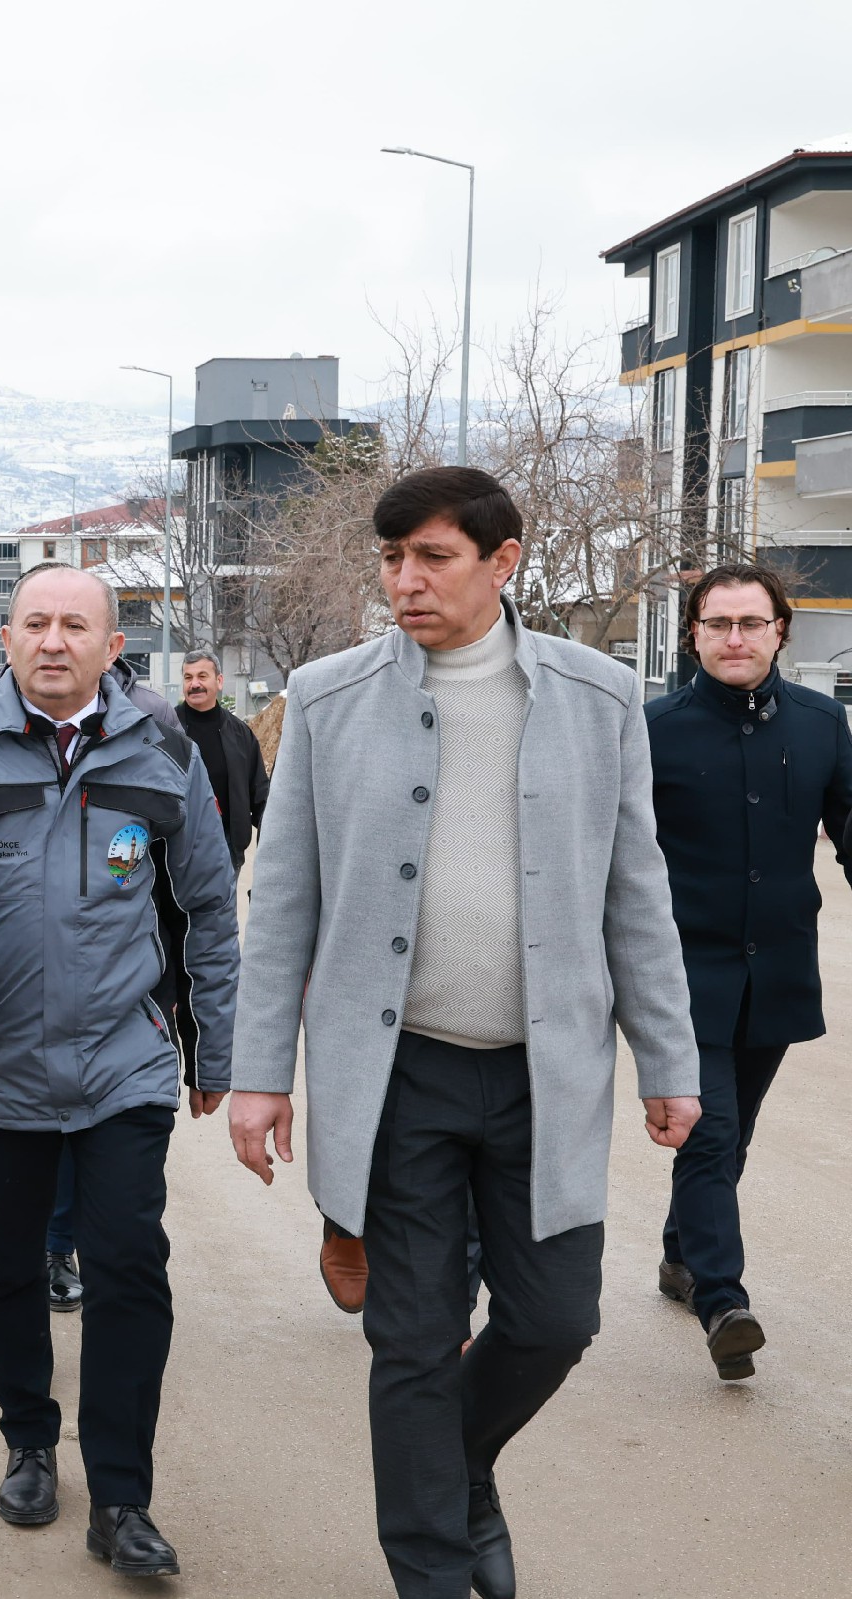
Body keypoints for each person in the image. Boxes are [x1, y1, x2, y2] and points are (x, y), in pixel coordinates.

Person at [228, 466, 700, 1599]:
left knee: (554, 1320)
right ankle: (433, 1568)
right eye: (393, 559)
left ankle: (460, 1466)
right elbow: (283, 896)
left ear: (504, 561)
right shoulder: (330, 697)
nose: (405, 580)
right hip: (397, 1078)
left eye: (432, 557)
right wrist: (258, 1076)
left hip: (549, 1077)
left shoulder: (598, 696)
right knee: (411, 1338)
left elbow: (635, 893)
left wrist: (669, 1062)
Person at [0, 562, 239, 1580]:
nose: (52, 640)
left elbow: (210, 905)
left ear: (111, 644)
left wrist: (213, 1042)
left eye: (74, 625)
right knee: (4, 1268)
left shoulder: (164, 751)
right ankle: (31, 1442)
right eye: (33, 622)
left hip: (123, 1065)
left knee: (132, 1270)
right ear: (6, 639)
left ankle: (123, 1498)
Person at [646, 562, 852, 1379]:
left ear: (780, 631)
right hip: (682, 972)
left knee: (732, 1139)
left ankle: (677, 1254)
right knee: (711, 1128)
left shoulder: (822, 722)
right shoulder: (653, 729)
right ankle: (723, 1300)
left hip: (778, 973)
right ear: (694, 632)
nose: (736, 638)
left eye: (752, 623)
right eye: (719, 623)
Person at [175, 651, 268, 871]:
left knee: (224, 907)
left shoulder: (240, 734)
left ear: (219, 681)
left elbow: (261, 795)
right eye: (188, 678)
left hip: (227, 847)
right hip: (178, 846)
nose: (194, 684)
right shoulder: (168, 727)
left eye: (202, 676)